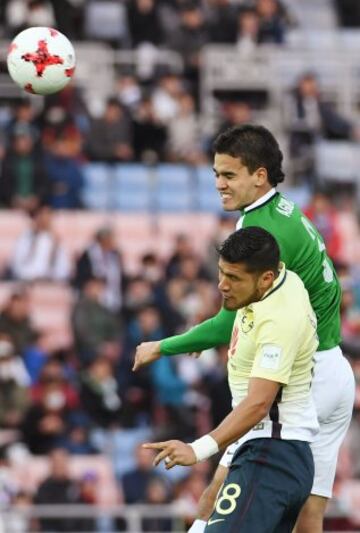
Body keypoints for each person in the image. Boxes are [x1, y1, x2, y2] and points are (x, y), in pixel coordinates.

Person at [133, 124, 355, 533]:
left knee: (215, 493)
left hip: (301, 383)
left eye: (229, 174)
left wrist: (164, 346)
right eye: (216, 174)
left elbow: (228, 320)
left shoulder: (260, 232)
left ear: (260, 175)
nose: (219, 184)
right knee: (309, 517)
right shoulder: (286, 210)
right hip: (335, 373)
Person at [142, 227, 319, 532]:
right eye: (221, 273)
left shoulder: (279, 320)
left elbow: (259, 403)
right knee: (207, 509)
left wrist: (197, 449)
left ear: (265, 278)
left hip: (271, 454)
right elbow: (228, 322)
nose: (222, 285)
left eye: (233, 278)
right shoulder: (279, 280)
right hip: (265, 447)